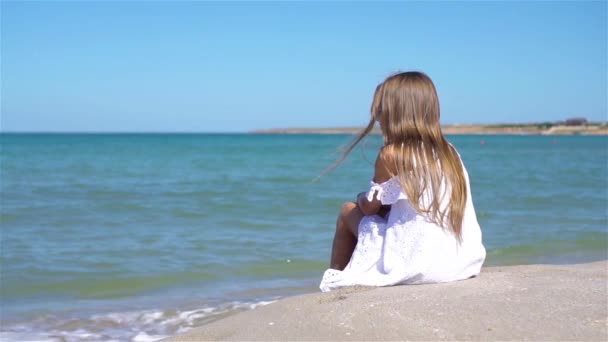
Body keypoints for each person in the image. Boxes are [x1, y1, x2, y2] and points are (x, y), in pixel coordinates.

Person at [320, 71, 486, 292]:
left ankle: (335, 284)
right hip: (459, 261)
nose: (377, 117)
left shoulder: (392, 154)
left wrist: (361, 198)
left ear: (394, 112)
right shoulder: (449, 153)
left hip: (417, 265)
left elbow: (370, 209)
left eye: (380, 109)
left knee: (347, 210)